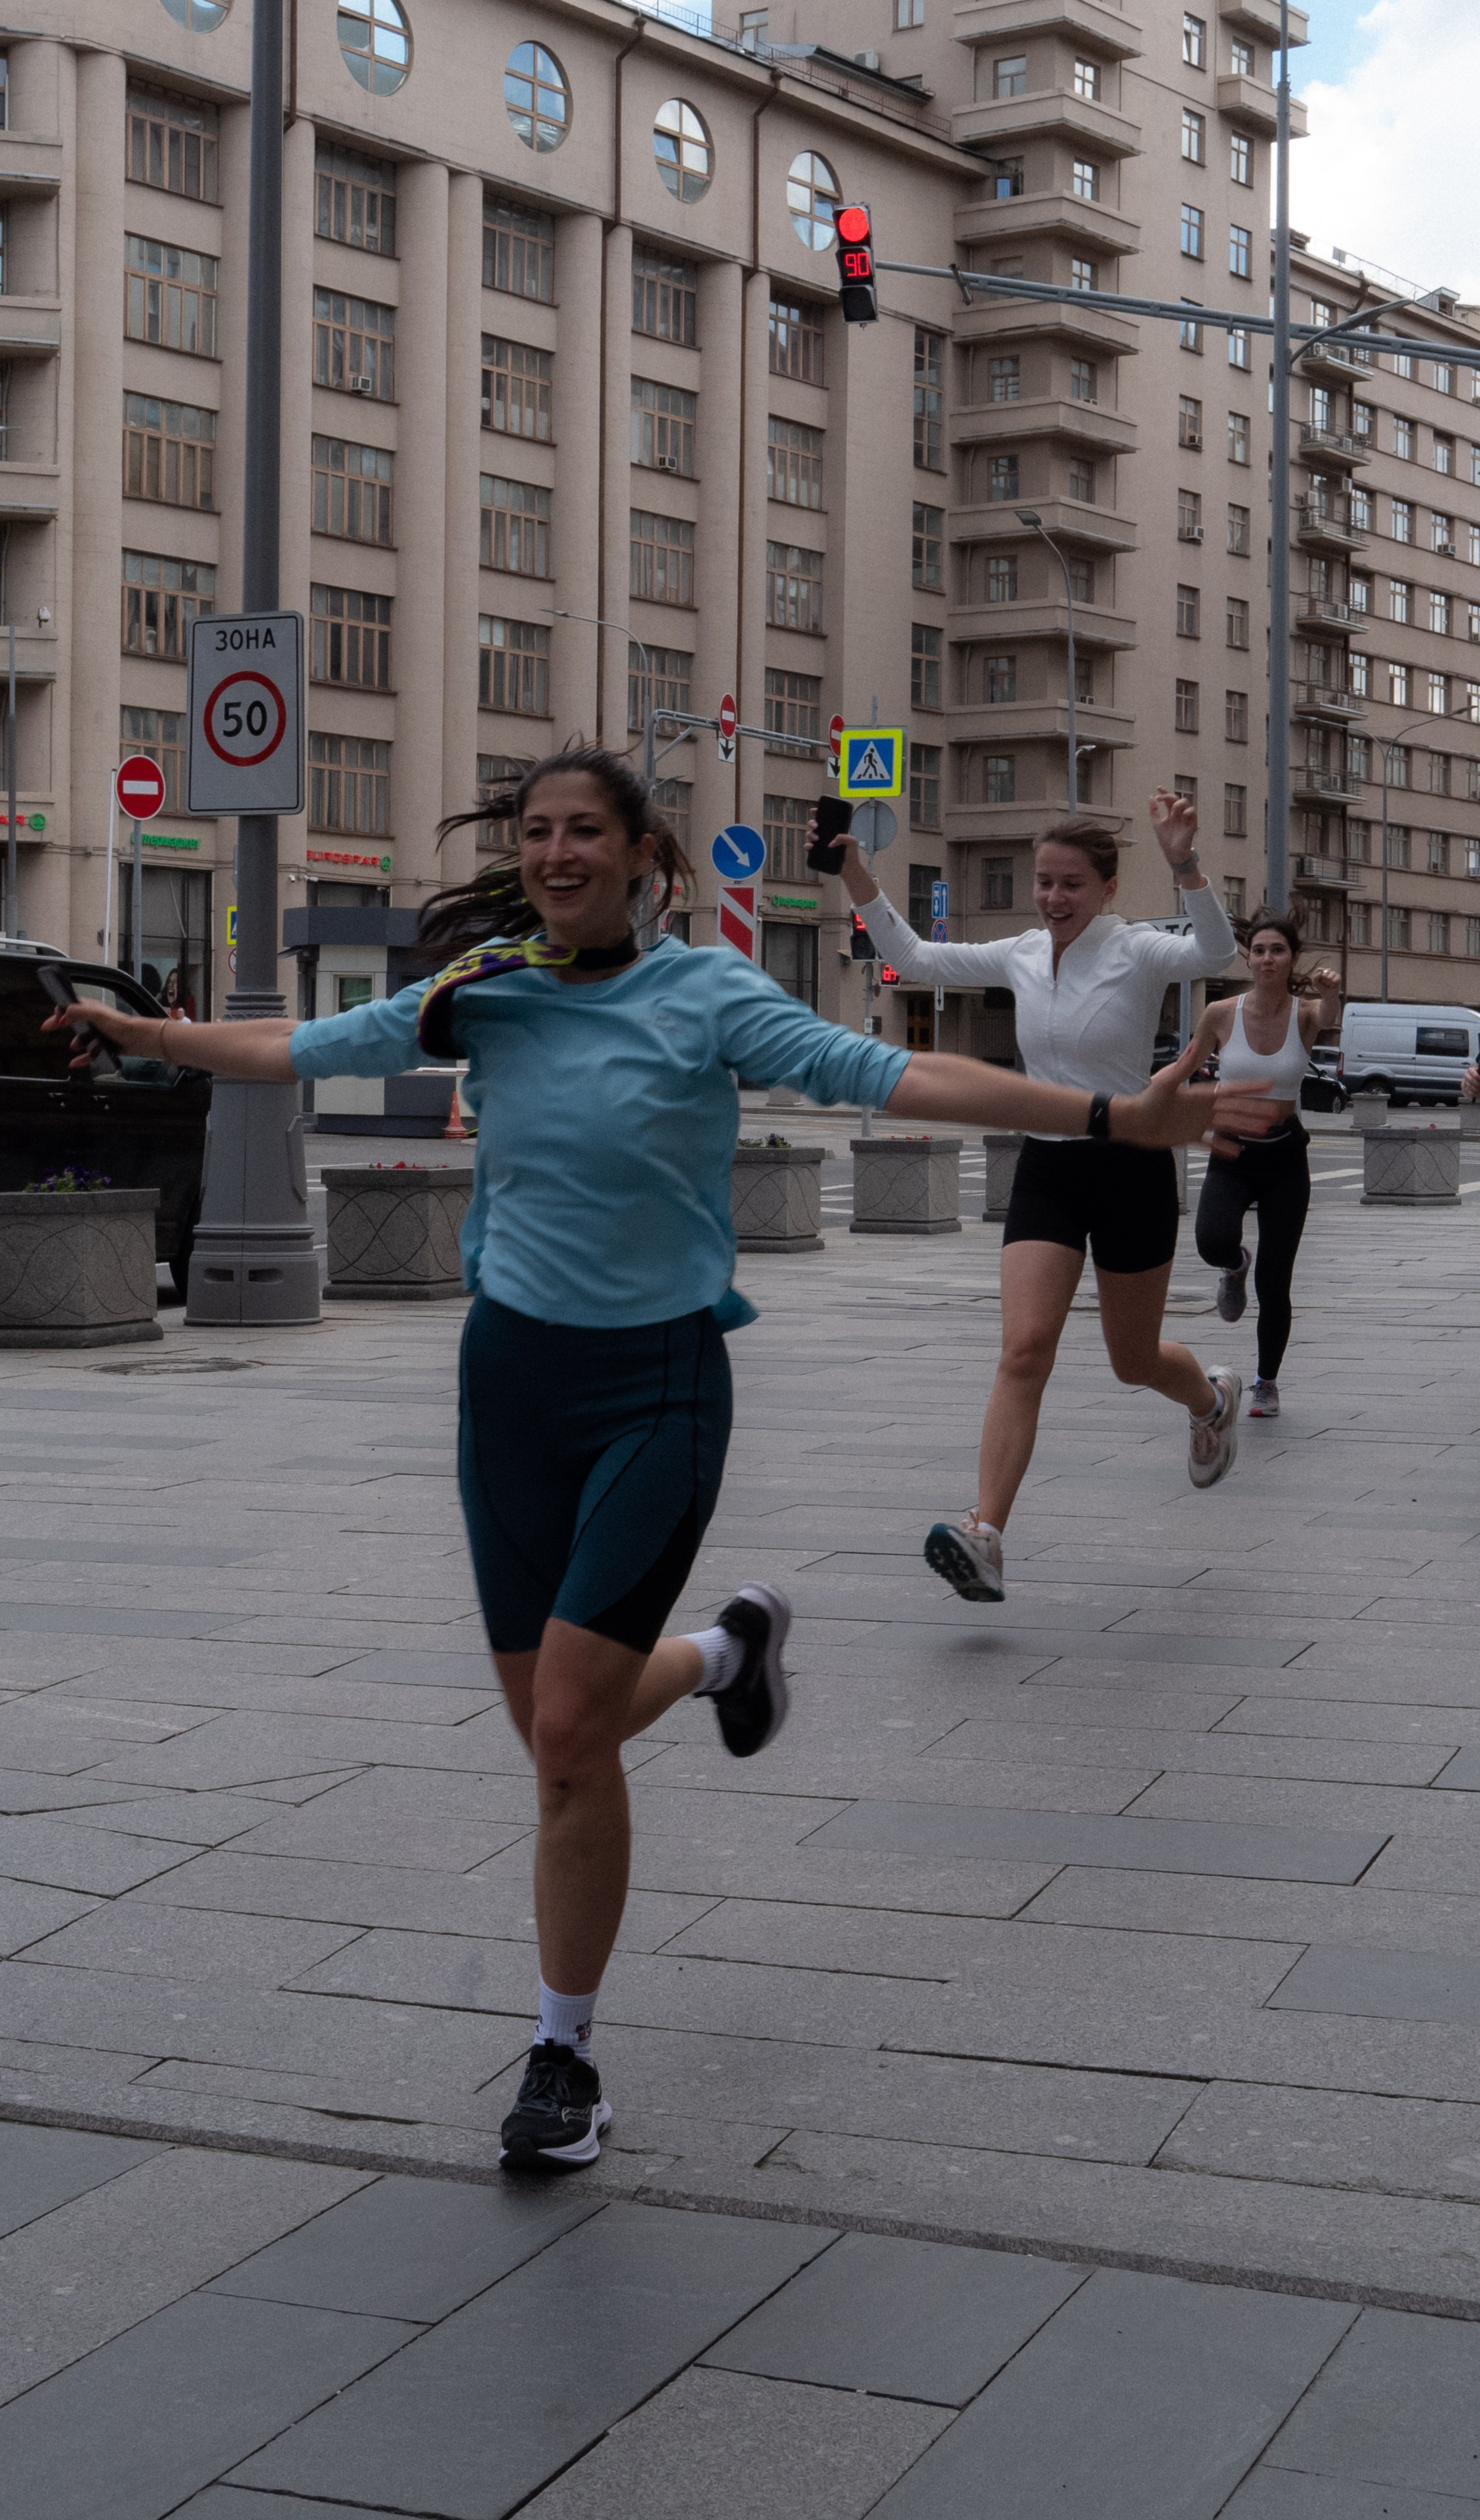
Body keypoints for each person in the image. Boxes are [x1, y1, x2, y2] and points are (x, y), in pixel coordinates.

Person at [51, 750, 1267, 2175]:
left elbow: (902, 1072)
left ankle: (562, 2050)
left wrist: (1117, 1117)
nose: (557, 852)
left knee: (568, 1736)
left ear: (644, 860)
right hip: (508, 1386)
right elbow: (299, 1053)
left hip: (658, 1384)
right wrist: (150, 1038)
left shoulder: (708, 995)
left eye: (585, 832)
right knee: (563, 1724)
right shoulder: (478, 992)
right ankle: (725, 1652)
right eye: (537, 832)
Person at [826, 790, 1248, 1608]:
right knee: (1024, 1349)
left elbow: (1217, 948)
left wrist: (1185, 861)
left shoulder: (1141, 951)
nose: (1053, 899)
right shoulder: (1021, 953)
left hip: (1129, 1165)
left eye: (1070, 885)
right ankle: (985, 1534)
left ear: (1108, 888)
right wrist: (854, 871)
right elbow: (913, 959)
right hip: (1048, 1167)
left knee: (1134, 1360)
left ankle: (1211, 1397)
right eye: (1043, 883)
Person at [1183, 910, 1340, 1421]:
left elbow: (1330, 1016)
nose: (1267, 958)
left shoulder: (1305, 1014)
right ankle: (1233, 1267)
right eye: (1259, 950)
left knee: (1276, 1282)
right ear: (1248, 958)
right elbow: (1187, 1068)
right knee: (1211, 1239)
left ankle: (1266, 1382)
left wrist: (1331, 989)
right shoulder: (1220, 1014)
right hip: (1232, 1152)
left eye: (1278, 950)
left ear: (1291, 957)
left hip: (1284, 1159)